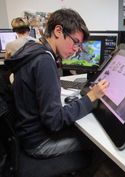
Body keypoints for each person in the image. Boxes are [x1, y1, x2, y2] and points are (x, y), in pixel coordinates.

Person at [5, 7, 112, 173]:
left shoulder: (32, 49)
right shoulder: (44, 62)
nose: (77, 49)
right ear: (58, 30)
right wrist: (90, 97)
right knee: (101, 145)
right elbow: (54, 121)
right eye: (75, 42)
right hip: (38, 143)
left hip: (25, 133)